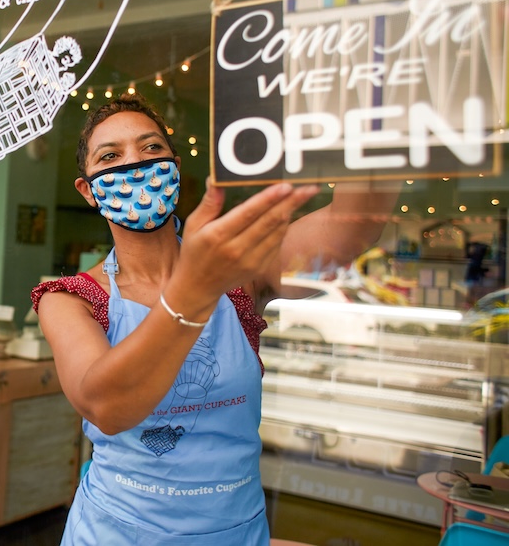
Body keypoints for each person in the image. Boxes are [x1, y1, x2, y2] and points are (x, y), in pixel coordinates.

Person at [31, 93, 395, 545]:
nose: (135, 165)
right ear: (88, 189)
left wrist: (367, 104)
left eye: (152, 149)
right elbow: (109, 406)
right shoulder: (71, 300)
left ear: (176, 168)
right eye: (111, 156)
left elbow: (356, 222)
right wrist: (193, 290)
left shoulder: (241, 274)